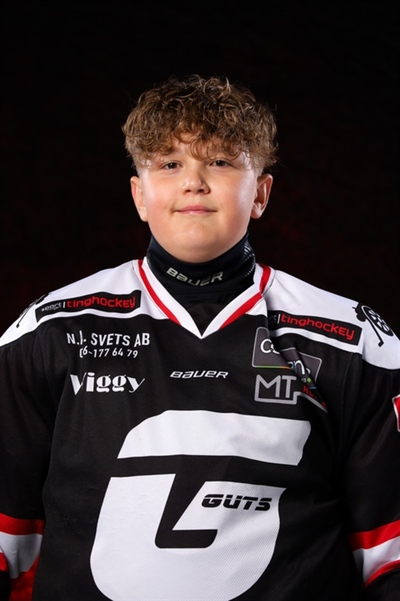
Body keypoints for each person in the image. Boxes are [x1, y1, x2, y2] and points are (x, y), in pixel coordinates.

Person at [0, 74, 399, 601]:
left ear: (261, 193)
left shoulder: (353, 342)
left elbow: (390, 556)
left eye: (221, 162)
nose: (194, 182)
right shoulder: (50, 330)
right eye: (169, 164)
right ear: (140, 196)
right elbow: (6, 538)